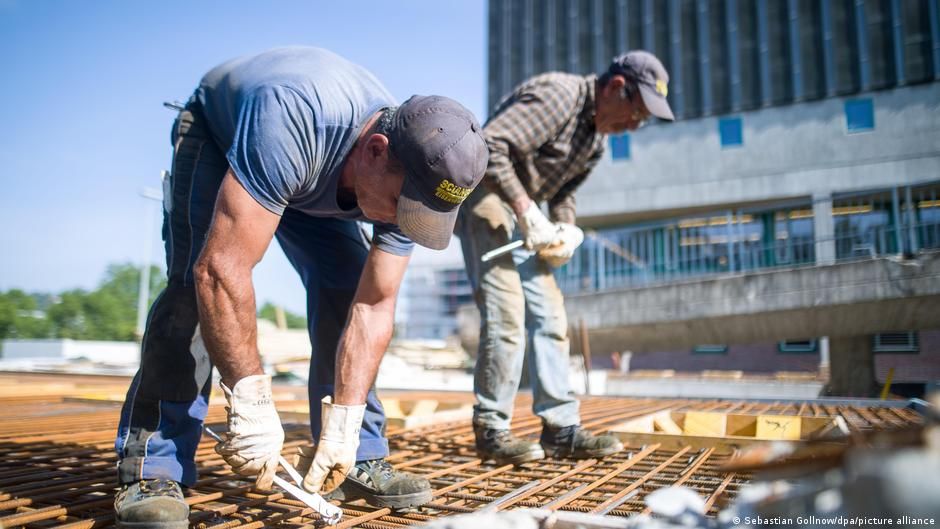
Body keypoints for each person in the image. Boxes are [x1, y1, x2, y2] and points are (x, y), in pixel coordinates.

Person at [113, 46, 488, 528]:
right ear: (376, 151)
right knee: (192, 288)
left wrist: (346, 421)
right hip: (222, 138)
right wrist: (250, 400)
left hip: (321, 177)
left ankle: (359, 453)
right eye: (401, 204)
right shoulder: (293, 118)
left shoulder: (412, 178)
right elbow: (222, 271)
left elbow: (372, 307)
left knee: (347, 288)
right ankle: (154, 467)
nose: (403, 221)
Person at [455, 51, 674, 465]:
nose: (634, 125)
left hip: (527, 210)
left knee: (551, 315)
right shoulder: (559, 96)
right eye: (636, 113)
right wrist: (525, 209)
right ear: (615, 88)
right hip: (489, 198)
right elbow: (489, 144)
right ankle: (492, 429)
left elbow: (564, 192)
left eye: (643, 120)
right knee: (507, 313)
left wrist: (566, 227)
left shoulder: (597, 138)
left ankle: (560, 429)